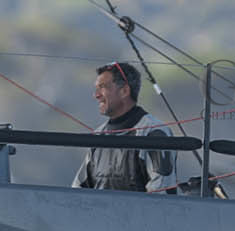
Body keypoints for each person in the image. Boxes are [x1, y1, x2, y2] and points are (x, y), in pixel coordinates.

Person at [72, 62, 177, 193]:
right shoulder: (98, 136)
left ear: (124, 91)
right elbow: (77, 190)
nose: (96, 95)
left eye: (102, 87)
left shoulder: (154, 132)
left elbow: (161, 195)